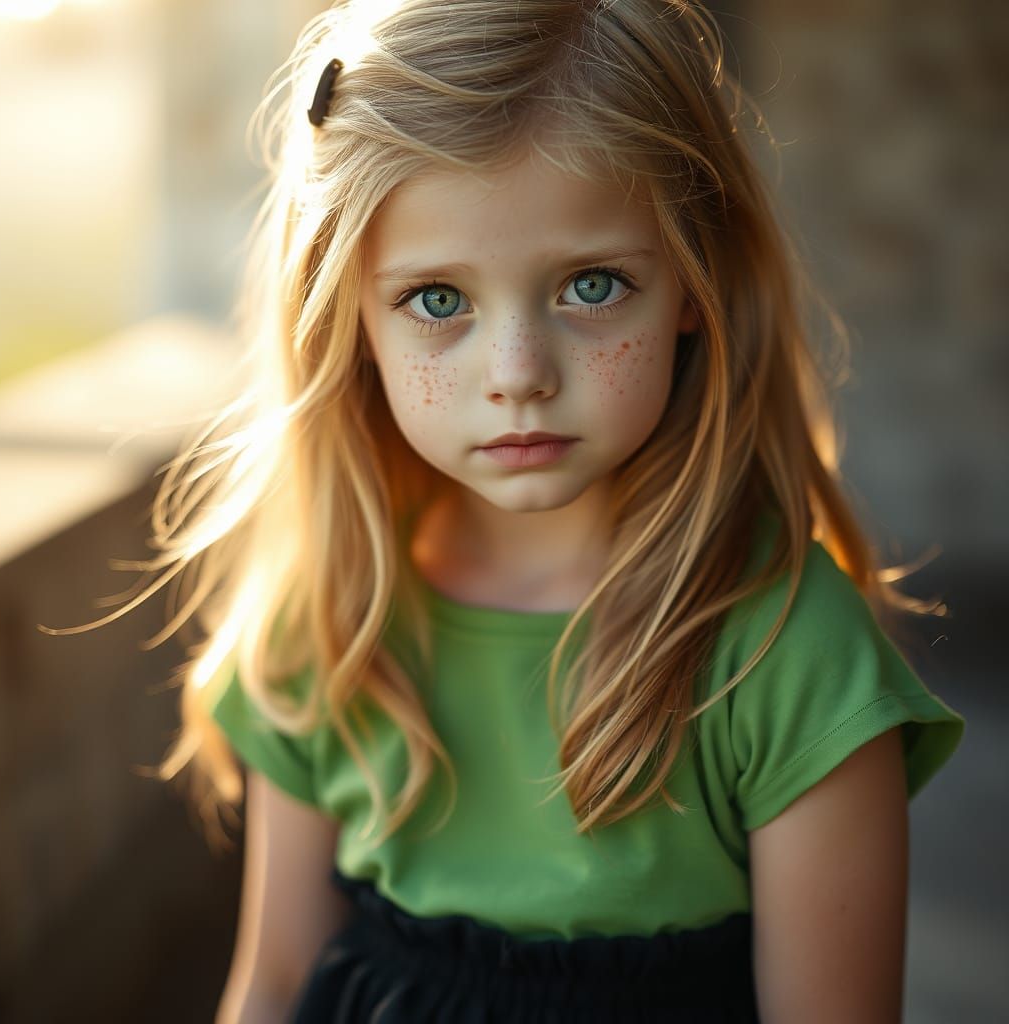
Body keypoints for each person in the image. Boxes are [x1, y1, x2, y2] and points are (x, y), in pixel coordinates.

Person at [132, 1, 966, 1020]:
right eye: (438, 299)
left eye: (593, 283)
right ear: (348, 314)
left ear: (694, 280)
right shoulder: (333, 617)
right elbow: (270, 983)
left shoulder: (787, 656)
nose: (517, 374)